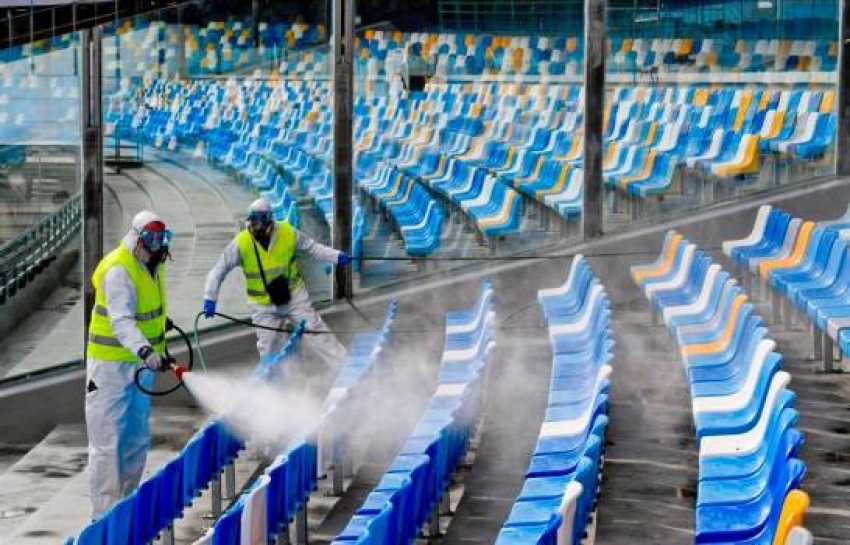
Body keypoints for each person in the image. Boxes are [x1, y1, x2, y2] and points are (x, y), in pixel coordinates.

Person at [85, 210, 173, 518]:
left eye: (161, 240)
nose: (158, 246)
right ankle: (104, 518)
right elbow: (121, 321)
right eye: (152, 240)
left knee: (136, 438)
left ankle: (127, 506)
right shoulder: (118, 269)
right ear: (137, 239)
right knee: (107, 442)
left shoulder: (152, 264)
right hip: (110, 367)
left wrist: (157, 339)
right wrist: (146, 349)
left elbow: (148, 310)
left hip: (140, 365)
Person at [203, 198, 350, 365]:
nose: (256, 228)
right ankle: (274, 377)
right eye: (253, 222)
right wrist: (210, 298)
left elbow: (313, 248)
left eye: (260, 222)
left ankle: (343, 364)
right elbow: (218, 271)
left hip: (294, 297)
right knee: (268, 347)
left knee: (315, 330)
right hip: (263, 305)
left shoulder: (287, 233)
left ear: (270, 221)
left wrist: (336, 256)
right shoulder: (241, 243)